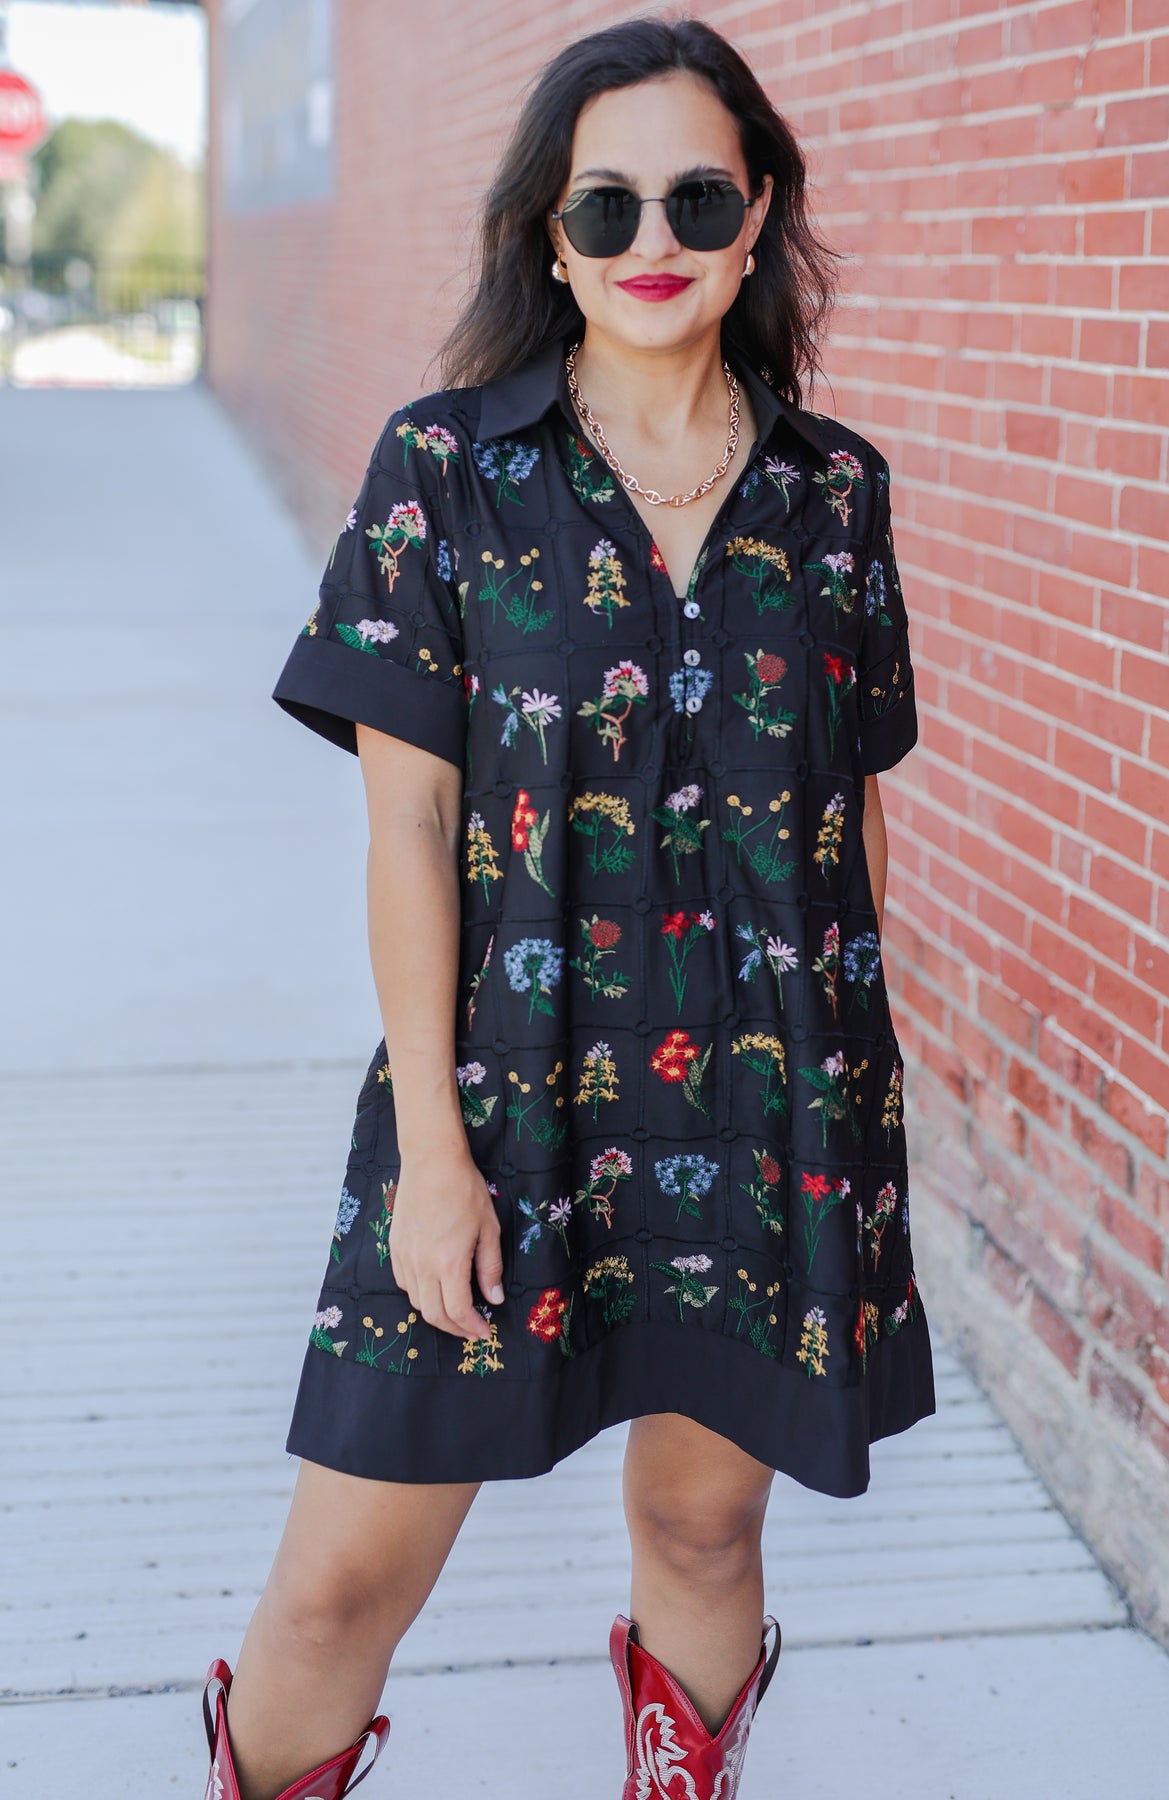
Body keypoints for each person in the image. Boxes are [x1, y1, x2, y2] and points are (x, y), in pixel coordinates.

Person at [199, 17, 937, 1799]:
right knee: (338, 1589)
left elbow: (850, 819)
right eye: (604, 206)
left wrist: (843, 1105)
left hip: (762, 1113)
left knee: (701, 1535)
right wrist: (436, 1153)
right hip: (502, 1102)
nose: (651, 238)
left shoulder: (836, 498)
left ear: (758, 218)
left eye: (698, 194)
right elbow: (408, 832)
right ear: (549, 235)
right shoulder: (445, 473)